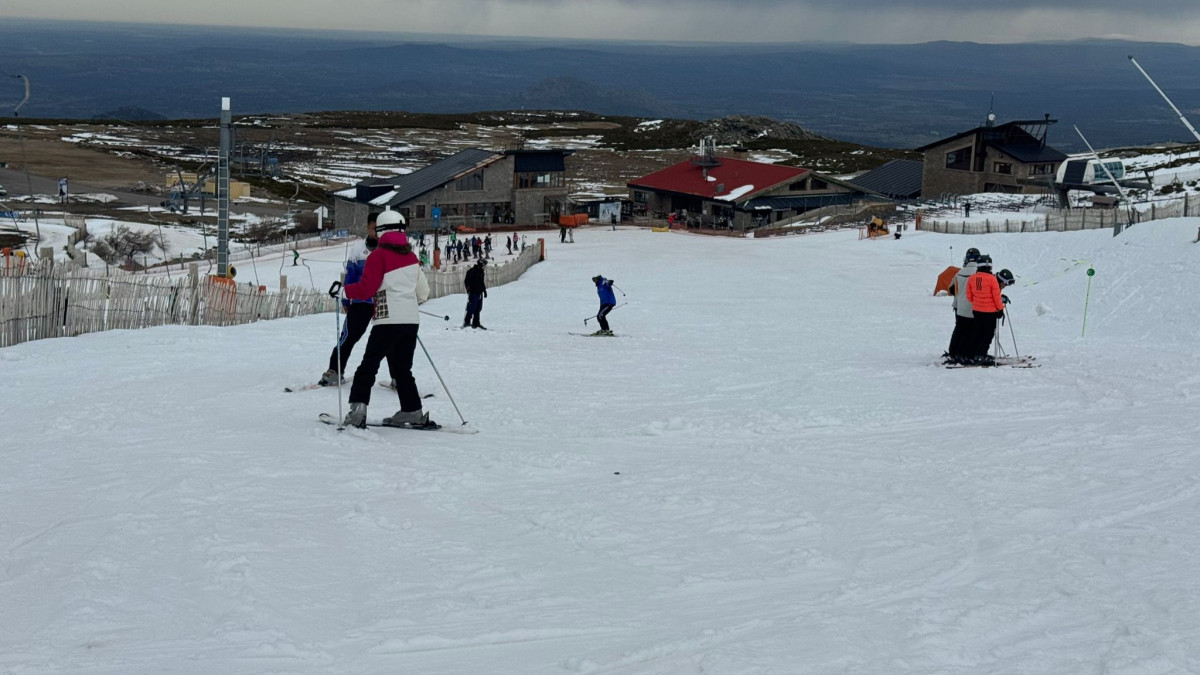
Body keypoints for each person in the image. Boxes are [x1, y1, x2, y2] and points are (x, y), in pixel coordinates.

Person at [339, 224, 432, 429]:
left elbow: (366, 289)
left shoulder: (378, 256)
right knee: (401, 368)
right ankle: (412, 410)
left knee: (368, 366)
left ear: (381, 234)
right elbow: (423, 292)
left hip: (387, 318)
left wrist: (344, 292)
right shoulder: (412, 258)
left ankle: (357, 412)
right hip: (411, 320)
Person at [318, 214, 379, 386]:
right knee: (348, 337)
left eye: (380, 228)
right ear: (368, 227)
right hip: (361, 301)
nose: (377, 232)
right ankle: (335, 370)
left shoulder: (388, 249)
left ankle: (398, 377)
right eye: (374, 228)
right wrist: (346, 300)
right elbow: (350, 275)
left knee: (388, 340)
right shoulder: (359, 249)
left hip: (383, 302)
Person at [966, 254, 1005, 365]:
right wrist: (1000, 309)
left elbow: (969, 297)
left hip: (977, 311)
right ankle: (981, 354)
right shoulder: (992, 279)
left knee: (978, 332)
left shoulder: (972, 278)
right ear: (990, 267)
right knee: (987, 334)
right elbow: (996, 297)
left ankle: (973, 353)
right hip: (990, 312)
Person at [944, 247, 980, 365]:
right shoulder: (979, 273)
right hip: (974, 307)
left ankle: (954, 351)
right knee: (972, 331)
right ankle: (966, 353)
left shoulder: (960, 272)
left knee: (959, 329)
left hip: (958, 306)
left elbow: (951, 290)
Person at [463, 257, 488, 329]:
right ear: (480, 265)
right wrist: (468, 289)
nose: (484, 267)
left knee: (478, 307)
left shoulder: (481, 272)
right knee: (472, 306)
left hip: (479, 292)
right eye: (484, 266)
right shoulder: (472, 272)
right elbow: (466, 281)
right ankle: (467, 321)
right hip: (473, 292)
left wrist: (484, 290)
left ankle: (476, 322)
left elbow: (481, 282)